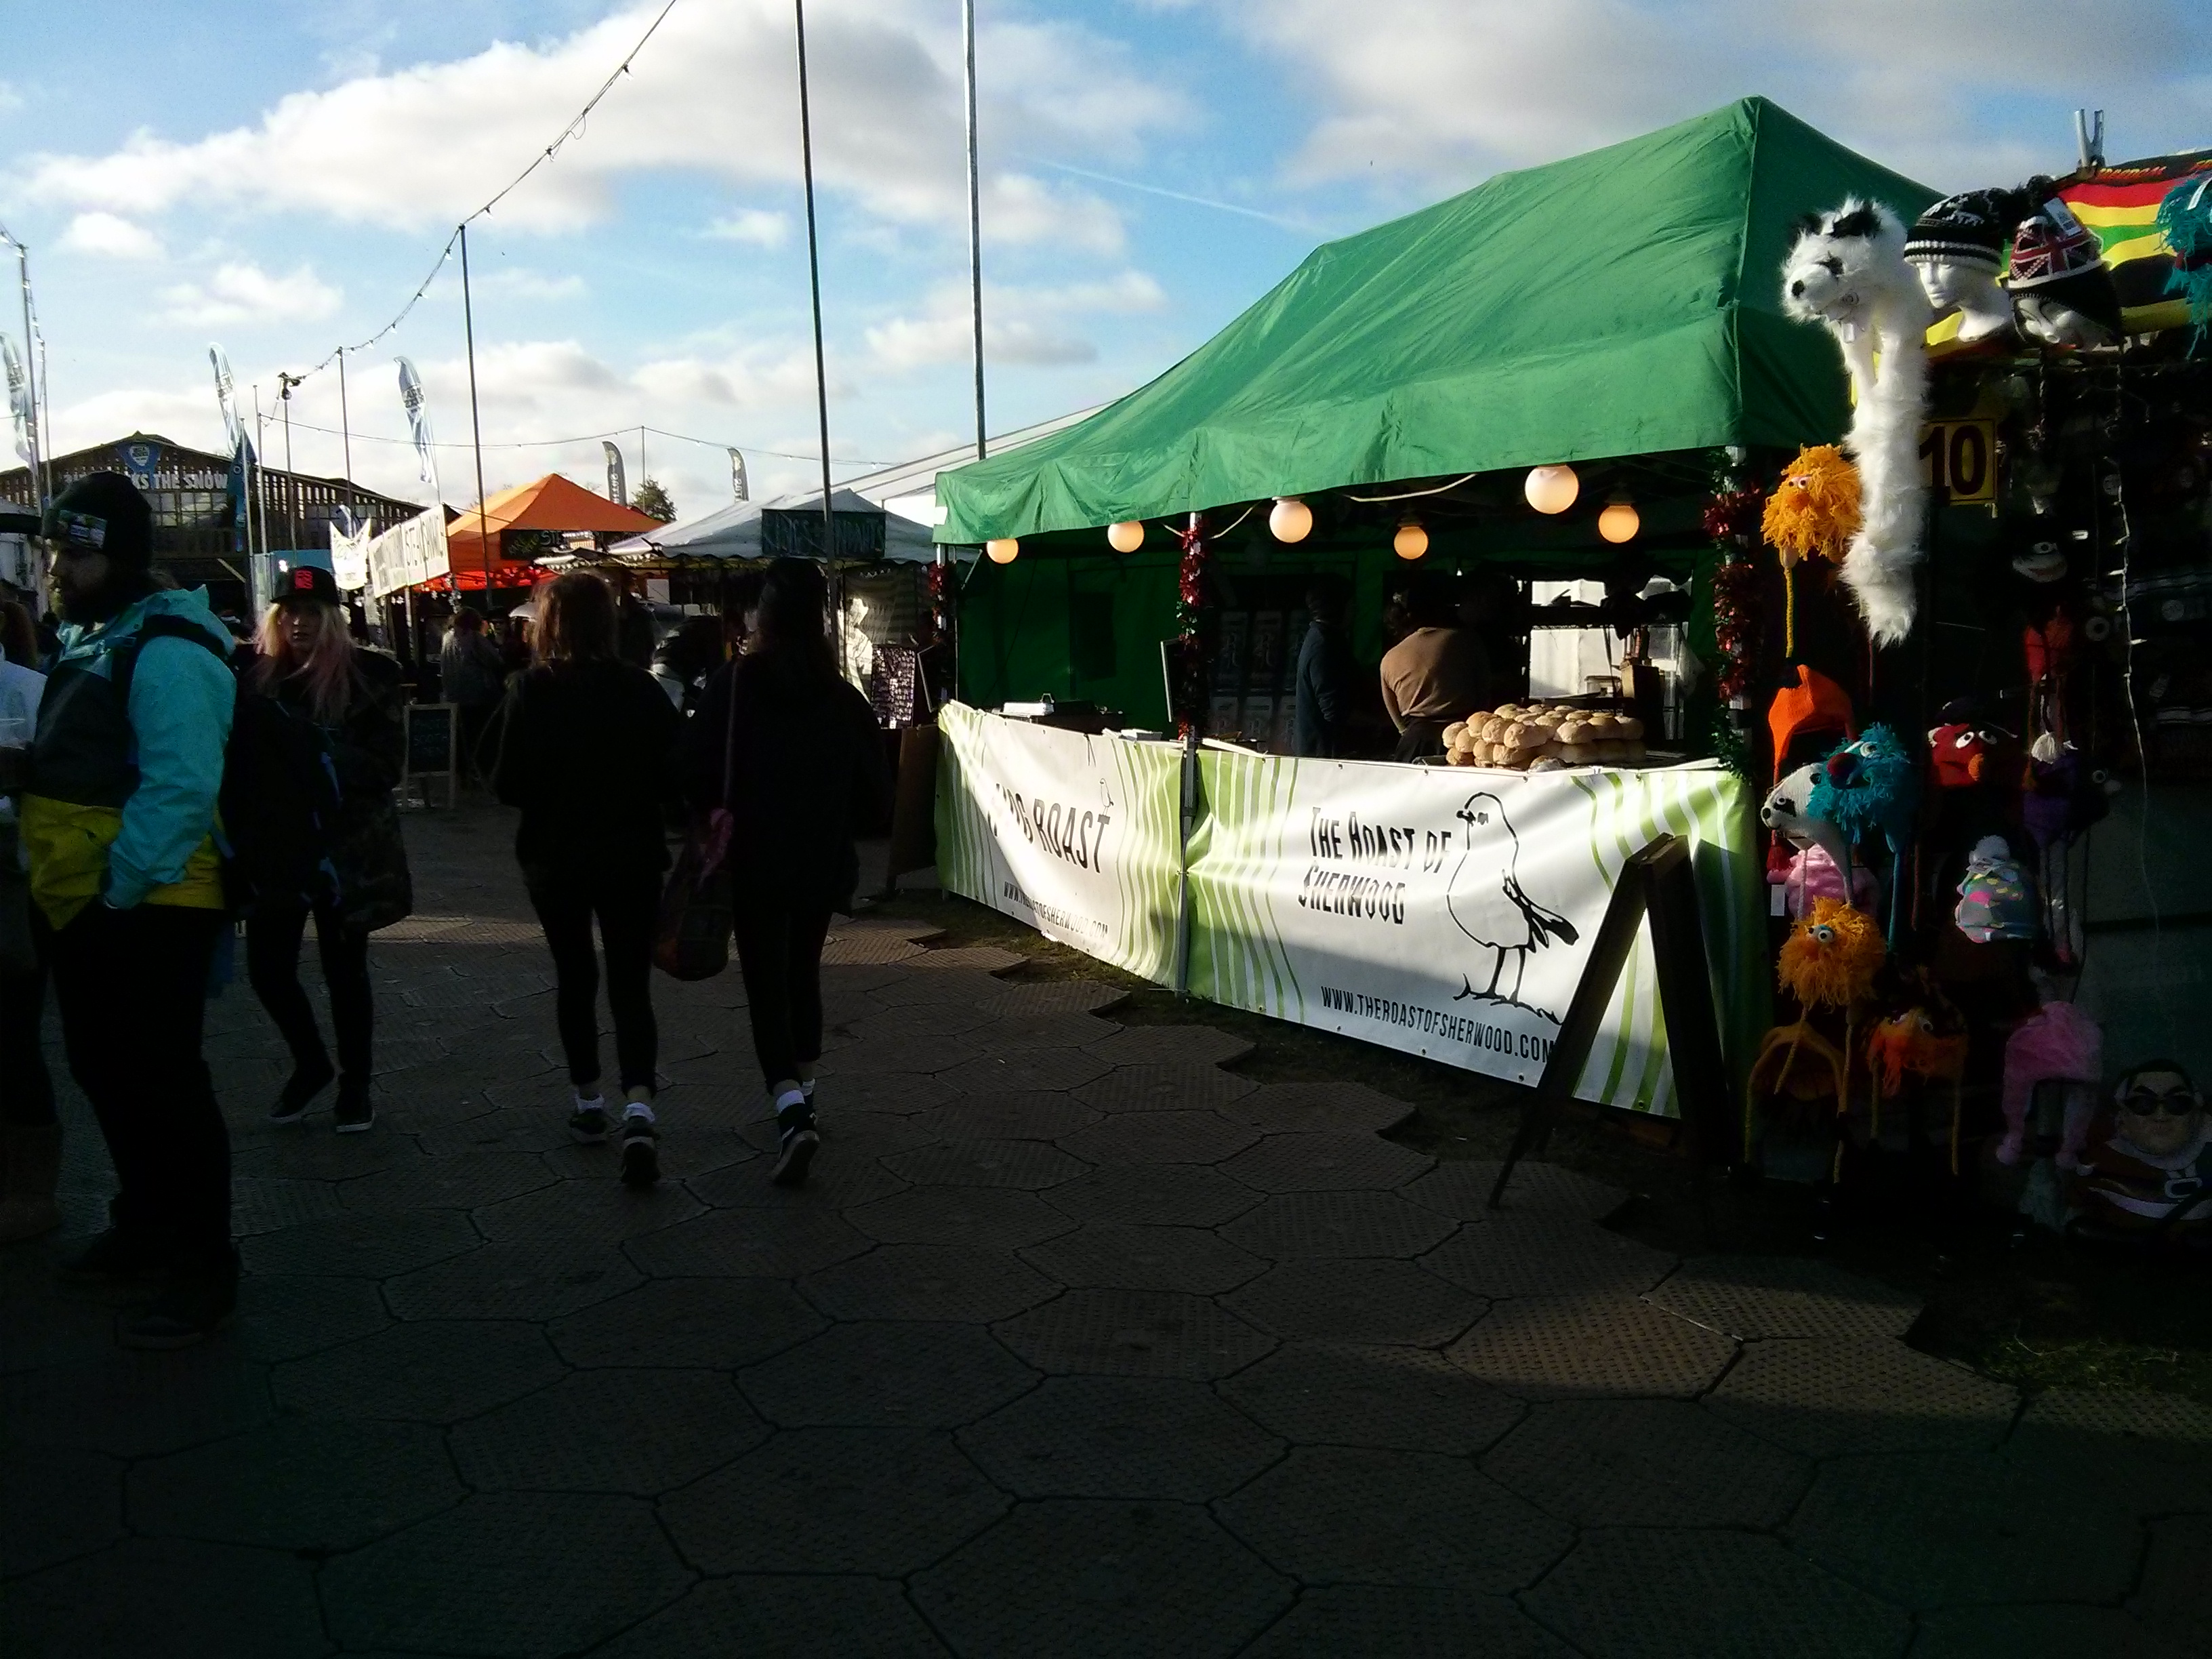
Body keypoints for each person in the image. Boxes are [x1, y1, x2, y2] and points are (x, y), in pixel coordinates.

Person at [20, 473, 239, 1347]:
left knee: (165, 1082)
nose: (58, 570)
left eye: (74, 554)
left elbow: (182, 785)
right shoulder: (95, 635)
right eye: (54, 551)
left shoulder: (171, 646)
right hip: (88, 899)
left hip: (151, 902)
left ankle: (204, 1266)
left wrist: (116, 893)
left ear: (121, 557)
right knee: (105, 1070)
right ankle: (146, 1224)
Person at [684, 558, 892, 1187]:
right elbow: (877, 796)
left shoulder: (735, 684)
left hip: (753, 860)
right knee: (803, 973)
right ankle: (807, 1092)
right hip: (819, 860)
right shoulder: (840, 696)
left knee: (765, 986)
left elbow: (691, 767)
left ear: (765, 617)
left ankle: (790, 1111)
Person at [484, 571, 682, 1185]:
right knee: (631, 986)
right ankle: (640, 1108)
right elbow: (676, 774)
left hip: (556, 859)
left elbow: (504, 781)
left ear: (548, 624)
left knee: (575, 979)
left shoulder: (530, 690)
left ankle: (589, 1101)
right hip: (632, 856)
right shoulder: (641, 690)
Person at [235, 565, 412, 1133]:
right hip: (276, 850)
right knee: (268, 969)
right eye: (288, 611)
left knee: (345, 972)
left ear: (333, 619)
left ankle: (356, 1085)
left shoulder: (370, 677)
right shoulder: (252, 677)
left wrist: (318, 753)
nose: (298, 622)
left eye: (312, 612)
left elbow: (386, 766)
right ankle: (311, 1062)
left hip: (346, 851)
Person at [0, 595, 58, 1241]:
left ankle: (31, 1190)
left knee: (13, 1040)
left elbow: (52, 792)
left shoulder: (28, 690)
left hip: (12, 890)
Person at [1379, 586, 1492, 761]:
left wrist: (1407, 732)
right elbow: (1484, 690)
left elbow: (1394, 713)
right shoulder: (1466, 641)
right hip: (1462, 739)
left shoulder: (1389, 658)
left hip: (1416, 741)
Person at [1293, 574, 1357, 758]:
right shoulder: (1323, 645)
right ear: (1338, 607)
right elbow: (1334, 712)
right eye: (1352, 604)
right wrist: (1384, 722)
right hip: (1326, 759)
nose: (1356, 609)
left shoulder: (1327, 639)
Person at [438, 608, 505, 777]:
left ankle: (462, 772)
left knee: (462, 736)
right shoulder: (475, 638)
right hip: (478, 695)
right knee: (480, 734)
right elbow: (495, 661)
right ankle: (480, 770)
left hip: (454, 695)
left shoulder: (447, 638)